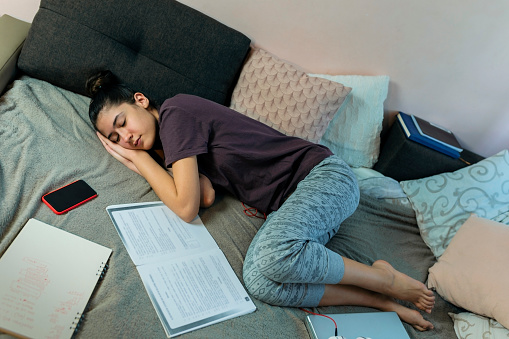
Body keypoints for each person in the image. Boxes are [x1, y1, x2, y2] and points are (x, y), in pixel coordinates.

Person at [87, 70, 435, 331]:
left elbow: (185, 207)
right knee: (260, 281)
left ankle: (386, 281)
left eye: (123, 123)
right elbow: (204, 195)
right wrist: (153, 159)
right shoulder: (172, 148)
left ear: (141, 101)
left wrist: (139, 161)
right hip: (296, 207)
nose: (127, 138)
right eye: (116, 138)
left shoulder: (177, 113)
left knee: (270, 255)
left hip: (324, 178)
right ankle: (379, 299)